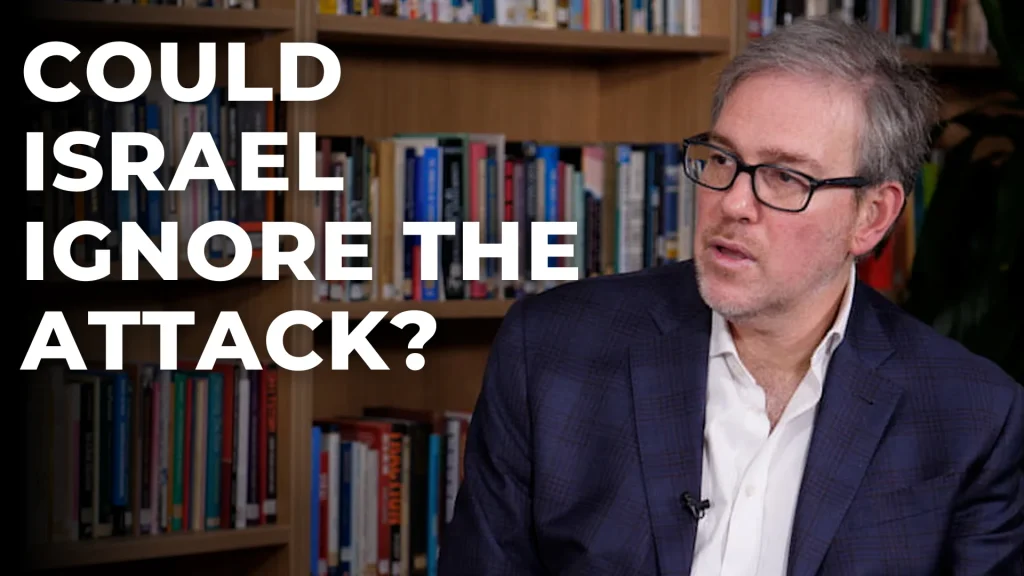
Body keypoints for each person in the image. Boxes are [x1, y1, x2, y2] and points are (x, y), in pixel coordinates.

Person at [437, 15, 1024, 576]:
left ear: (871, 216)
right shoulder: (550, 351)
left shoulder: (972, 416)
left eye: (785, 177)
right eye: (723, 159)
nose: (733, 203)